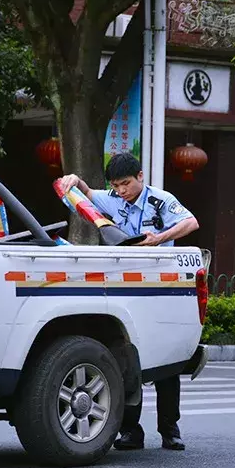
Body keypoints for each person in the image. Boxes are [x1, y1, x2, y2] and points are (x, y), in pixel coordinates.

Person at [58, 152, 199, 451]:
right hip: (126, 288)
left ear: (141, 177)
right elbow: (87, 193)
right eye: (116, 185)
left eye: (126, 184)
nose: (121, 191)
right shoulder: (112, 198)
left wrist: (158, 239)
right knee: (126, 362)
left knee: (166, 362)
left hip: (161, 286)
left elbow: (191, 222)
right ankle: (130, 431)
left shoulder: (160, 201)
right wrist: (75, 181)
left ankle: (169, 429)